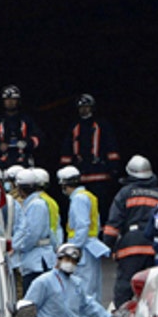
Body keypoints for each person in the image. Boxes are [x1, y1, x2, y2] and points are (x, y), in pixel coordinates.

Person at [21, 243, 112, 317]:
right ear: (58, 259)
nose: (70, 263)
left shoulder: (76, 284)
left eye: (73, 261)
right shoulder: (43, 282)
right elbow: (28, 307)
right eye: (67, 259)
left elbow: (88, 305)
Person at [102, 154, 158, 308]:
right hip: (153, 248)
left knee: (125, 288)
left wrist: (107, 246)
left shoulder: (125, 193)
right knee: (150, 288)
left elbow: (113, 223)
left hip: (130, 248)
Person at [56, 165, 110, 317]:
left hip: (82, 248)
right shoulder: (88, 196)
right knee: (92, 289)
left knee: (83, 289)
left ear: (65, 184)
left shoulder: (78, 199)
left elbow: (82, 226)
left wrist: (72, 249)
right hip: (90, 246)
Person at [59, 94, 120, 224]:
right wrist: (65, 169)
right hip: (80, 175)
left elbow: (111, 145)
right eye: (81, 107)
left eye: (87, 107)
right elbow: (67, 149)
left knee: (100, 207)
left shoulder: (102, 125)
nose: (84, 110)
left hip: (100, 175)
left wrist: (113, 167)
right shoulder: (74, 127)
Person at [13, 168, 57, 317]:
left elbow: (32, 234)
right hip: (35, 257)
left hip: (37, 258)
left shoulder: (36, 205)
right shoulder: (32, 203)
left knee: (33, 296)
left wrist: (18, 247)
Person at [0, 85, 42, 168]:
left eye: (13, 99)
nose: (10, 102)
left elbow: (38, 138)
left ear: (18, 101)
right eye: (7, 99)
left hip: (24, 160)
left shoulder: (27, 120)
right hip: (0, 161)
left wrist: (26, 143)